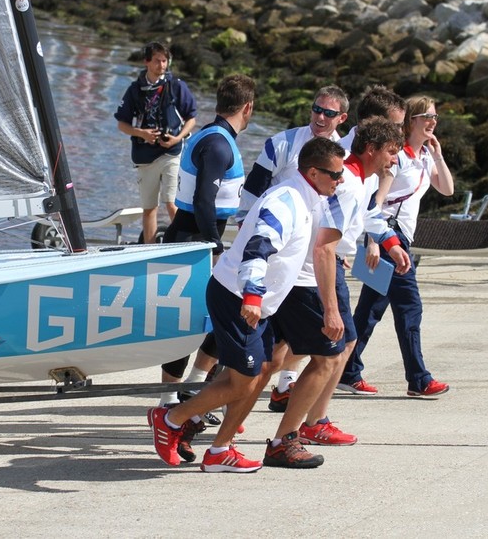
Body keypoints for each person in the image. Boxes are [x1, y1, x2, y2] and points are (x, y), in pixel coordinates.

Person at [146, 137, 347, 473]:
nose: (340, 181)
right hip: (236, 297)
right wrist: (253, 296)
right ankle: (170, 418)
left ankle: (219, 450)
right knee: (243, 380)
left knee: (259, 374)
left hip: (259, 303)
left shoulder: (309, 198)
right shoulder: (288, 201)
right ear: (313, 172)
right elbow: (258, 247)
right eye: (335, 175)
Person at [266, 118, 408, 465]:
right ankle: (294, 430)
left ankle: (305, 421)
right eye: (391, 152)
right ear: (371, 149)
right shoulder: (346, 182)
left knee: (325, 349)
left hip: (317, 269)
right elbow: (323, 246)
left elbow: (370, 215)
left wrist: (389, 242)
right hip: (312, 273)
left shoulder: (362, 178)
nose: (395, 160)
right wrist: (330, 304)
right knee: (326, 353)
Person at [155, 74, 256, 462]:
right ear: (247, 108)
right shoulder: (216, 143)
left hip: (194, 236)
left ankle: (191, 396)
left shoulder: (212, 135)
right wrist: (214, 246)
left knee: (213, 324)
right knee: (189, 326)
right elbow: (203, 199)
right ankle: (169, 404)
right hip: (194, 240)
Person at [235, 87, 350, 411]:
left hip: (313, 255)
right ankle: (220, 389)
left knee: (296, 336)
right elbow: (254, 187)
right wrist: (245, 223)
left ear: (341, 117)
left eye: (329, 113)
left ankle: (285, 386)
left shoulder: (342, 155)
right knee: (264, 335)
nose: (320, 117)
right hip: (275, 250)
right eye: (316, 109)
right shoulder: (282, 143)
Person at [341, 96, 453, 398]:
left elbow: (448, 189)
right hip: (389, 237)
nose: (431, 122)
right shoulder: (397, 157)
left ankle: (347, 371)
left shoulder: (423, 157)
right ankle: (419, 378)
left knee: (370, 309)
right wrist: (374, 242)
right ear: (411, 121)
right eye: (426, 117)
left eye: (435, 117)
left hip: (400, 240)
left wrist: (438, 155)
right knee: (409, 307)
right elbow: (376, 201)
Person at [114, 41, 198, 244]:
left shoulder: (176, 86)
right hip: (144, 156)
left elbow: (192, 118)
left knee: (171, 201)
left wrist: (178, 138)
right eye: (158, 61)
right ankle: (149, 250)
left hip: (172, 152)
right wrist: (141, 133)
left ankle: (184, 243)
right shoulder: (135, 90)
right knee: (149, 207)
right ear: (147, 62)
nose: (162, 65)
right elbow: (122, 124)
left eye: (165, 60)